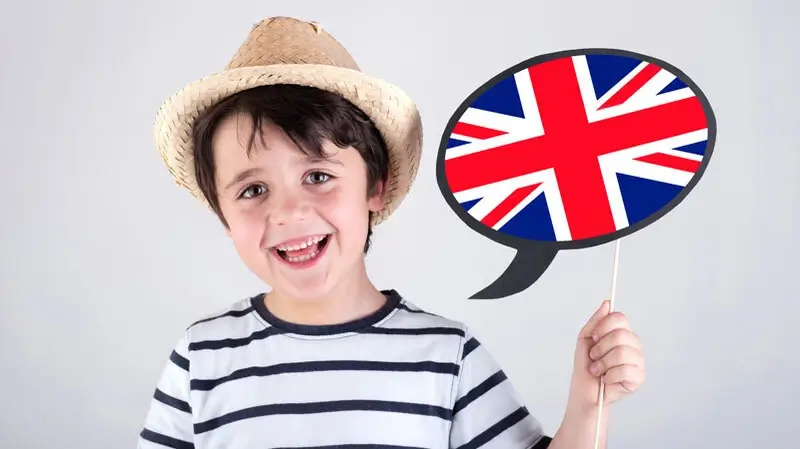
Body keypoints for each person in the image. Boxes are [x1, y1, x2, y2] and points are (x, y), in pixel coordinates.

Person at [138, 16, 646, 449]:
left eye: (318, 176)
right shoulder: (201, 357)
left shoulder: (446, 356)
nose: (288, 212)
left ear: (375, 187)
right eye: (253, 190)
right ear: (223, 215)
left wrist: (588, 401)